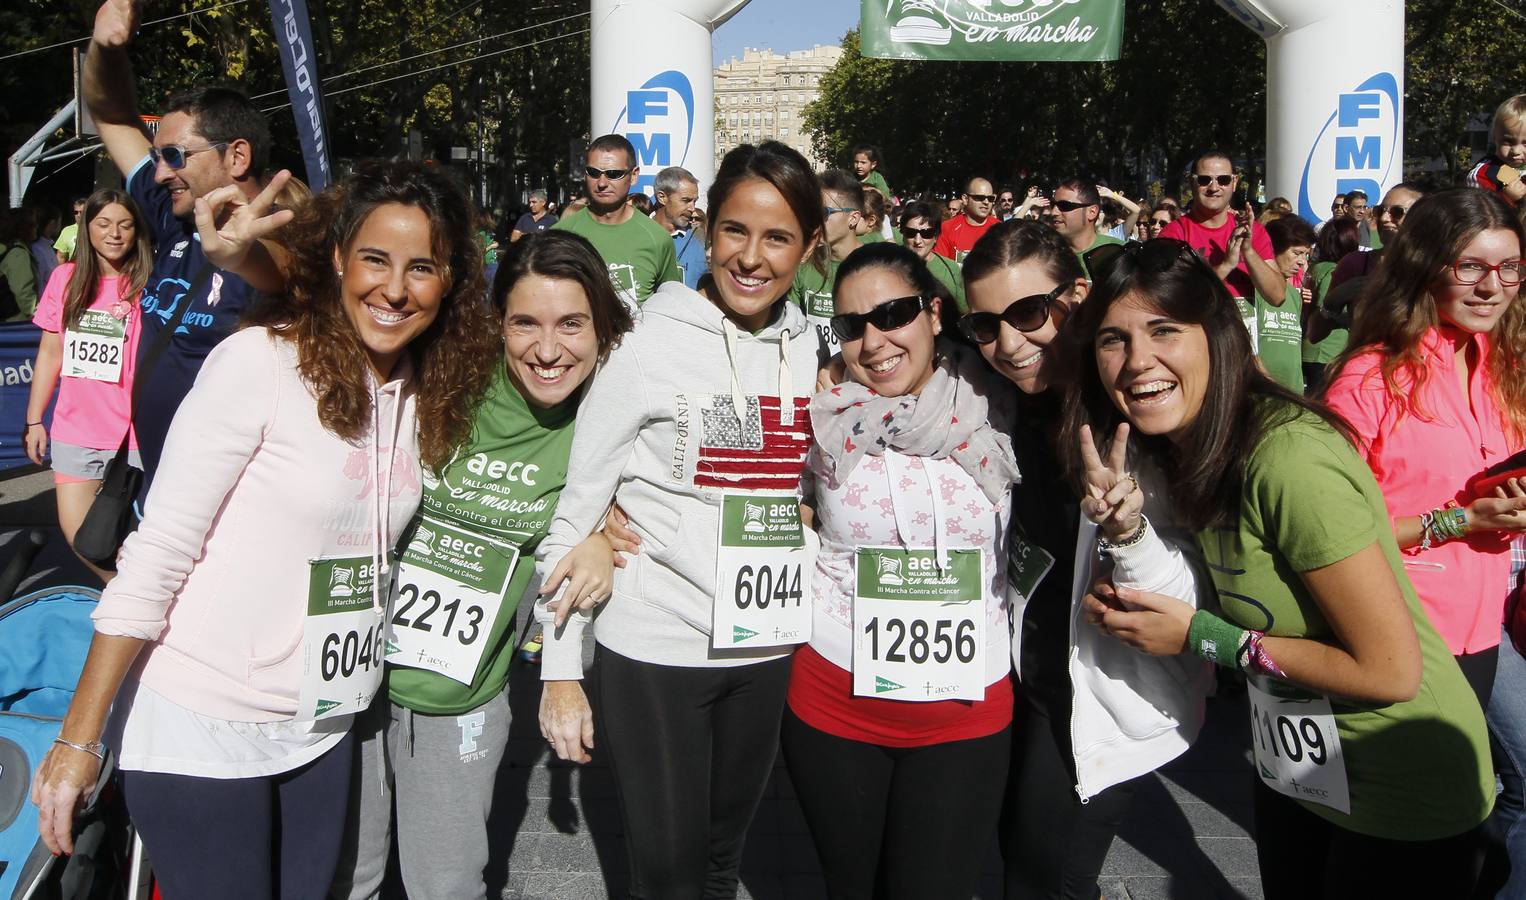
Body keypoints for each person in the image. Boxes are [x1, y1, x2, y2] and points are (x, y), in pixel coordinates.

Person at [29, 160, 501, 900]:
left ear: (450, 282)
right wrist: (78, 739)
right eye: (375, 259)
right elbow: (156, 554)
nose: (395, 288)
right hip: (201, 720)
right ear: (339, 258)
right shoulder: (259, 362)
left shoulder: (427, 391)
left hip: (322, 721)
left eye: (423, 268)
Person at [1063, 237, 1494, 898]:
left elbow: (1392, 671)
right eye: (1112, 340)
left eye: (1164, 331)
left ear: (1218, 335)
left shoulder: (1287, 457)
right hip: (1300, 771)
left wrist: (1200, 635)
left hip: (1402, 783)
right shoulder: (1189, 452)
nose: (1137, 361)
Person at [533, 140, 823, 899]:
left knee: (722, 860)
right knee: (666, 872)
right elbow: (577, 510)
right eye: (734, 231)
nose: (751, 258)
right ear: (702, 230)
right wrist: (561, 675)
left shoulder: (814, 345)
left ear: (810, 247)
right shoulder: (645, 344)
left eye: (778, 237)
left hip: (763, 646)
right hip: (657, 646)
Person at [331, 231, 633, 900]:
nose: (548, 350)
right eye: (525, 322)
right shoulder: (441, 378)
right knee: (347, 877)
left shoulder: (612, 431)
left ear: (603, 328)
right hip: (348, 675)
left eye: (572, 325)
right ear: (498, 323)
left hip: (458, 698)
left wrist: (601, 541)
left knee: (444, 885)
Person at [962, 222, 1212, 900]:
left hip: (1103, 700)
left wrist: (1129, 533)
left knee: (1045, 880)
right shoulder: (1008, 400)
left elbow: (1190, 588)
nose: (1009, 344)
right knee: (1025, 858)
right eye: (985, 325)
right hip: (1026, 681)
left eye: (1028, 313)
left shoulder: (1135, 410)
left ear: (1075, 295)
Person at [781, 241, 1020, 900]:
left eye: (893, 314)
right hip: (834, 698)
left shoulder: (996, 396)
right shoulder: (822, 409)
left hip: (965, 709)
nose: (873, 339)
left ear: (934, 313)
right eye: (852, 325)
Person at [83, 0, 286, 497]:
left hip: (229, 508)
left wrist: (242, 256)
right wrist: (104, 46)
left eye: (174, 156)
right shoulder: (176, 218)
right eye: (156, 157)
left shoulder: (286, 235)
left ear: (237, 156)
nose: (158, 172)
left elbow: (288, 274)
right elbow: (110, 114)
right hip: (157, 488)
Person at [23, 189, 153, 582]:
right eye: (103, 223)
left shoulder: (151, 282)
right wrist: (34, 421)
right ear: (86, 227)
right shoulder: (64, 279)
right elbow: (50, 354)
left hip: (137, 433)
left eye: (124, 224)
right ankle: (125, 609)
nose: (114, 234)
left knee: (140, 544)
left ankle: (134, 624)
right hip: (75, 429)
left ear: (137, 231)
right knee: (85, 540)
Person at [552, 134, 681, 310]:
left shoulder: (658, 239)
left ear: (634, 175)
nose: (602, 183)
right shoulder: (559, 235)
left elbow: (672, 306)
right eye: (594, 173)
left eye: (613, 174)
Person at [1158, 151, 1284, 306]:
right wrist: (1226, 265)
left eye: (1223, 180)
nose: (1214, 187)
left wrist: (1248, 250)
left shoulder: (1253, 231)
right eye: (1204, 180)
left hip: (1243, 328)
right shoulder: (1174, 234)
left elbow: (1277, 297)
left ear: (1235, 182)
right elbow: (1171, 297)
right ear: (1191, 182)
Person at [790, 168, 864, 363]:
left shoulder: (876, 266)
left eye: (825, 213)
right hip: (811, 376)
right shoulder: (803, 264)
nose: (815, 220)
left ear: (853, 218)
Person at [1253, 214, 1318, 392]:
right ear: (1272, 250)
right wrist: (1268, 383)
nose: (1302, 261)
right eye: (1296, 253)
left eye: (1306, 254)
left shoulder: (1295, 295)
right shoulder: (1253, 289)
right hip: (1260, 394)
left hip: (1293, 395)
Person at [1300, 216, 1361, 392]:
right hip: (1325, 350)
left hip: (1311, 348)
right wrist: (1352, 319)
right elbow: (1325, 308)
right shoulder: (1333, 271)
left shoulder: (1316, 268)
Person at [1044, 178, 1121, 279]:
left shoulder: (1119, 252)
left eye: (1064, 206)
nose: (1053, 212)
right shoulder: (1044, 254)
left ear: (1092, 212)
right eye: (1052, 205)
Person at [898, 200, 965, 313]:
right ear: (903, 234)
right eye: (911, 232)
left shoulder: (951, 268)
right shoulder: (890, 267)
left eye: (926, 233)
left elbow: (963, 311)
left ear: (935, 237)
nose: (917, 240)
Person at [653, 165, 709, 289]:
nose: (692, 208)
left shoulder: (700, 236)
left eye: (694, 201)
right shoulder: (642, 234)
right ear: (662, 197)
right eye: (686, 200)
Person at [1467, 94, 1526, 208]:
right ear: (1495, 137)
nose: (1516, 151)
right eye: (1508, 141)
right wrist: (1506, 198)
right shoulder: (1484, 173)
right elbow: (1476, 212)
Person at [934, 176, 998, 262]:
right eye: (980, 198)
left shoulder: (1000, 229)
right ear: (965, 199)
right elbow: (940, 267)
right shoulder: (947, 228)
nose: (986, 202)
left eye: (990, 198)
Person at [0, 209, 40, 322]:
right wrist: (35, 314)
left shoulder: (5, 248)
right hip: (15, 322)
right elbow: (24, 292)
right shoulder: (18, 253)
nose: (37, 227)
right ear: (22, 227)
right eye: (32, 224)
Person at [28, 206, 61, 290]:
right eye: (59, 222)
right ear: (52, 224)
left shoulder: (47, 247)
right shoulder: (37, 250)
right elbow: (39, 283)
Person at [54, 197, 87, 264]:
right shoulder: (67, 231)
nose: (78, 215)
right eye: (76, 212)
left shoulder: (95, 229)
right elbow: (60, 257)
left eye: (81, 212)